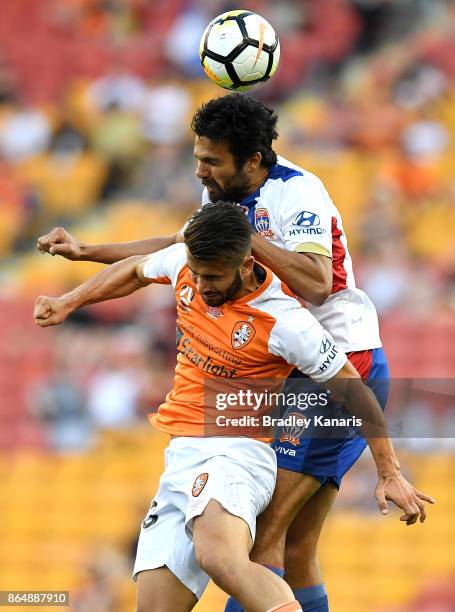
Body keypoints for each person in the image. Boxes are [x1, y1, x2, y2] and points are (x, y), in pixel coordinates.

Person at [37, 94, 434, 612]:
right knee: (292, 552)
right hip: (280, 374)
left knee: (255, 548)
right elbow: (180, 250)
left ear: (251, 161)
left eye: (210, 160)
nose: (199, 169)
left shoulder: (297, 194)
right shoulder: (221, 198)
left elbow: (316, 282)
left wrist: (389, 469)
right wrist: (87, 254)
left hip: (336, 363)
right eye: (198, 156)